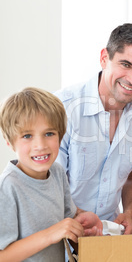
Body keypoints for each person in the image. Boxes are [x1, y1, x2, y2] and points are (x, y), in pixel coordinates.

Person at [54, 23, 132, 234]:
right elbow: (46, 183)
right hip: (57, 235)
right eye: (126, 64)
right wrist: (83, 220)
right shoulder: (62, 108)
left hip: (107, 236)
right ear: (104, 58)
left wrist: (129, 213)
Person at [0, 87, 102, 262]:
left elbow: (68, 224)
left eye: (49, 133)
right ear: (10, 142)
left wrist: (83, 225)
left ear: (60, 136)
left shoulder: (57, 172)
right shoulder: (7, 187)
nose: (40, 145)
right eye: (27, 136)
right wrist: (50, 234)